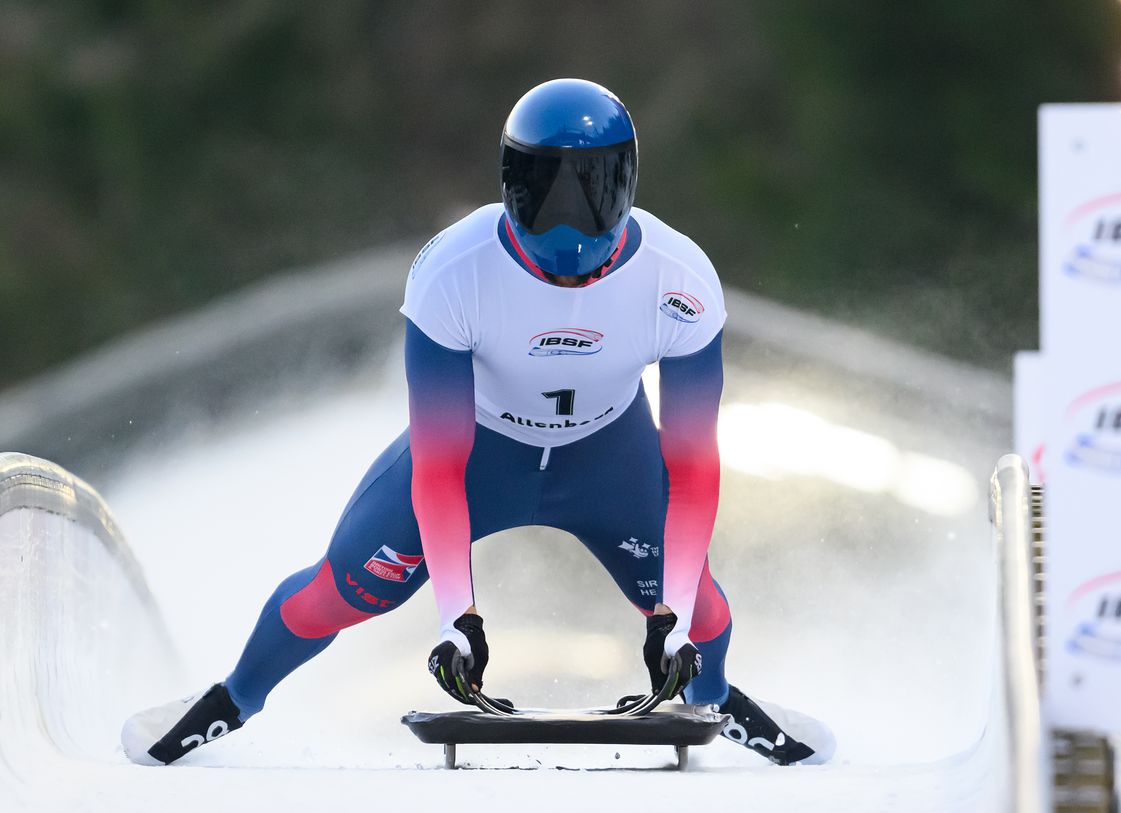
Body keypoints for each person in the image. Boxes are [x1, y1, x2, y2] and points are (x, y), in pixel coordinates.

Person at [122, 78, 834, 768]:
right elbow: (438, 464)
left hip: (607, 459)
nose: (565, 220)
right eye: (543, 193)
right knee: (337, 593)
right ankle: (233, 698)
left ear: (627, 185)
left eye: (589, 193)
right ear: (508, 186)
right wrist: (456, 620)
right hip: (480, 459)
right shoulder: (453, 271)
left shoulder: (678, 280)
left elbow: (693, 468)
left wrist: (672, 616)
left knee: (702, 614)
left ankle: (710, 699)